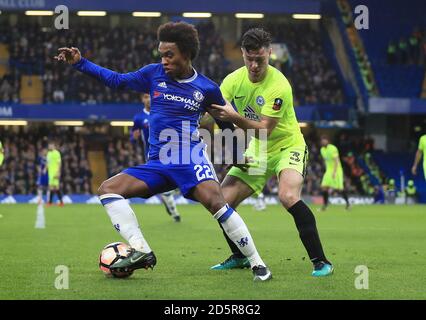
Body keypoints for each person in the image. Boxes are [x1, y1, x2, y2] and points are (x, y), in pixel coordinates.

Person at [55, 21, 271, 281]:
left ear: (186, 54)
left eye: (169, 55)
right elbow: (117, 81)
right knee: (108, 189)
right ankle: (142, 250)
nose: (164, 60)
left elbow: (224, 123)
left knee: (217, 203)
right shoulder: (153, 74)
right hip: (158, 163)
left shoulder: (207, 88)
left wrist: (237, 155)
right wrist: (81, 63)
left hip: (188, 159)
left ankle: (258, 263)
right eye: (162, 54)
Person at [208, 28, 333, 277]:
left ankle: (321, 261)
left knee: (288, 196)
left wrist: (234, 116)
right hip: (258, 148)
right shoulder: (232, 81)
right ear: (242, 54)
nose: (254, 66)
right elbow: (216, 115)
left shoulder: (279, 85)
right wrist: (234, 151)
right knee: (220, 201)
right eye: (249, 59)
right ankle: (240, 256)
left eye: (260, 60)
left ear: (270, 54)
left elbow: (265, 127)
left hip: (288, 146)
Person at [131, 93, 181, 222]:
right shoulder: (139, 118)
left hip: (169, 151)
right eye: (146, 97)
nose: (148, 99)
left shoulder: (161, 113)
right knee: (167, 182)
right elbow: (133, 136)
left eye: (150, 97)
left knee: (175, 180)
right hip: (152, 154)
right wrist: (133, 137)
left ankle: (169, 196)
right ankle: (174, 212)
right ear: (142, 99)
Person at [319, 136, 351, 211]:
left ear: (328, 141)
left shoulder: (333, 148)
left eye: (325, 140)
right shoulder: (322, 150)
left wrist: (334, 172)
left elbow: (336, 161)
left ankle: (348, 204)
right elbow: (325, 161)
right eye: (322, 141)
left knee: (339, 189)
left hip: (337, 170)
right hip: (328, 171)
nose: (323, 142)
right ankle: (325, 205)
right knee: (324, 187)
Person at [46, 142, 64, 206]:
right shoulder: (48, 153)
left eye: (50, 145)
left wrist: (58, 172)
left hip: (55, 172)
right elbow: (48, 163)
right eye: (49, 145)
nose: (49, 146)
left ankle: (60, 202)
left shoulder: (57, 153)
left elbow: (59, 163)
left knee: (56, 187)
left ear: (54, 146)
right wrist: (45, 169)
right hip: (50, 173)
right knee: (51, 187)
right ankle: (51, 202)